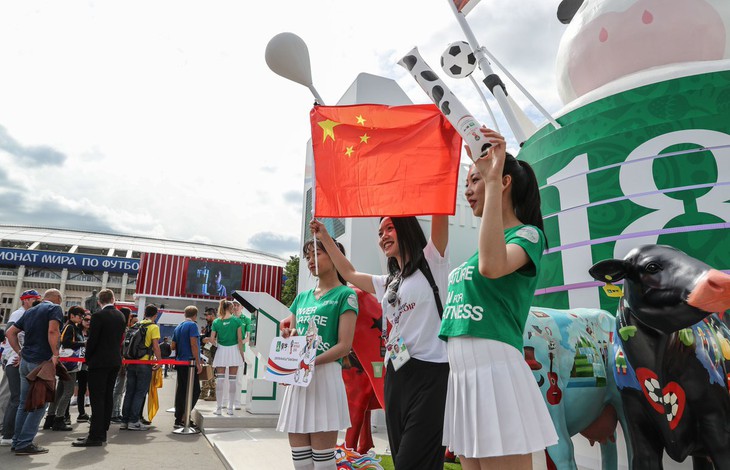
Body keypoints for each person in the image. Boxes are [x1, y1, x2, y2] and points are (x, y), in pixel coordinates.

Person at [439, 127, 558, 469]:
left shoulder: (528, 234)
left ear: (503, 182)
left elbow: (492, 266)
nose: (467, 191)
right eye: (469, 182)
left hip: (496, 372)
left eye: (474, 180)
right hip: (463, 376)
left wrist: (490, 183)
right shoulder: (475, 253)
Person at [311, 211, 450, 469]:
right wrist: (325, 236)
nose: (383, 237)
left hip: (431, 375)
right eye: (379, 233)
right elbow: (349, 273)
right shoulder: (389, 282)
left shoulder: (433, 261)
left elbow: (440, 212)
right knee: (401, 460)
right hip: (396, 375)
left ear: (406, 228)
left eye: (389, 229)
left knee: (414, 460)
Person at [277, 239, 358, 470]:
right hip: (299, 381)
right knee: (301, 464)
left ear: (334, 255)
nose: (311, 261)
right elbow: (293, 334)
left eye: (317, 254)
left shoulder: (346, 295)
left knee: (323, 464)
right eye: (308, 256)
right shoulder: (302, 298)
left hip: (325, 379)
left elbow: (344, 346)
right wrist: (288, 337)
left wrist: (310, 361)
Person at [5, 289, 64, 455]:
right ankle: (25, 443)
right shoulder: (54, 309)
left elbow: (10, 333)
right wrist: (55, 354)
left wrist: (20, 351)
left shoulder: (30, 311)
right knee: (39, 404)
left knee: (24, 403)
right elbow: (53, 331)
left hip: (26, 361)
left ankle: (17, 442)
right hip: (42, 363)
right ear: (58, 298)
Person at [73, 289, 126, 447]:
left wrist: (88, 358)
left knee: (97, 399)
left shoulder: (98, 316)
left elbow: (93, 340)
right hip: (114, 361)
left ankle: (95, 435)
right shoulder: (120, 316)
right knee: (108, 396)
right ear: (113, 299)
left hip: (99, 362)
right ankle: (102, 432)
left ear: (99, 302)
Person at [0, 290, 41, 447]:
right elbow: (9, 333)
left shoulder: (27, 313)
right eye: (34, 299)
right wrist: (19, 353)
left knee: (11, 396)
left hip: (14, 359)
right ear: (25, 300)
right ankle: (7, 433)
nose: (36, 302)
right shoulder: (19, 314)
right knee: (14, 398)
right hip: (14, 360)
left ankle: (6, 429)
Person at [43, 306, 86, 431]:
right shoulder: (70, 327)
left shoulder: (71, 326)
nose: (81, 317)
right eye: (79, 315)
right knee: (68, 391)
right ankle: (59, 419)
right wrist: (83, 343)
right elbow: (66, 342)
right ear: (72, 315)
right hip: (69, 364)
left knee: (60, 391)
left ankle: (50, 418)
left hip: (67, 363)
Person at [120, 304, 161, 431]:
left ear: (144, 314)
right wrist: (159, 361)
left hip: (131, 362)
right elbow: (155, 346)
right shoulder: (153, 327)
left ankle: (125, 420)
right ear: (155, 315)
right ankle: (134, 421)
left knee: (129, 392)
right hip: (144, 363)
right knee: (140, 393)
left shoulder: (135, 326)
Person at [209, 299, 244, 415]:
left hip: (221, 351)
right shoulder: (237, 321)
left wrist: (217, 345)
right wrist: (242, 354)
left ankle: (218, 408)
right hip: (234, 350)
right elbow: (239, 340)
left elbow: (212, 339)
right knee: (233, 380)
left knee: (220, 380)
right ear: (230, 308)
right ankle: (230, 408)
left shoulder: (216, 322)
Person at [171, 306, 202, 429]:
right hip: (190, 363)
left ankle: (179, 418)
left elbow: (173, 346)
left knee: (182, 391)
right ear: (195, 315)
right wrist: (198, 363)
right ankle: (185, 416)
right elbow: (193, 344)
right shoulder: (193, 326)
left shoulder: (178, 327)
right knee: (194, 390)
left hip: (180, 362)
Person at [110, 308, 133, 423]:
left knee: (120, 388)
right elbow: (121, 346)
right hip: (120, 361)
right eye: (129, 317)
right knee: (118, 388)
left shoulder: (123, 329)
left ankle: (117, 411)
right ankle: (114, 413)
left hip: (121, 361)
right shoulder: (121, 330)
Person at [231, 300, 251, 409]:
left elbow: (248, 337)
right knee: (226, 378)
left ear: (242, 306)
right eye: (234, 305)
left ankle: (237, 402)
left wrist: (238, 343)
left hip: (239, 351)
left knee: (238, 379)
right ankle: (225, 402)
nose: (235, 307)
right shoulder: (228, 318)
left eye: (237, 305)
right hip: (228, 351)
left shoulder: (246, 320)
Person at [75, 313, 92, 423]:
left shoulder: (92, 333)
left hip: (85, 365)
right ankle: (63, 415)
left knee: (82, 388)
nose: (88, 322)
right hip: (73, 363)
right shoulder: (75, 331)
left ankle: (81, 413)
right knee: (68, 390)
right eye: (86, 319)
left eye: (90, 320)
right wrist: (83, 343)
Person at [200, 307, 217, 401]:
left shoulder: (216, 324)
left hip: (212, 350)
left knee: (210, 371)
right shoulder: (209, 325)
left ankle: (213, 393)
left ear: (212, 315)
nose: (206, 317)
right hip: (207, 349)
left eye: (207, 315)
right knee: (205, 370)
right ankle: (204, 391)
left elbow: (215, 338)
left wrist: (207, 339)